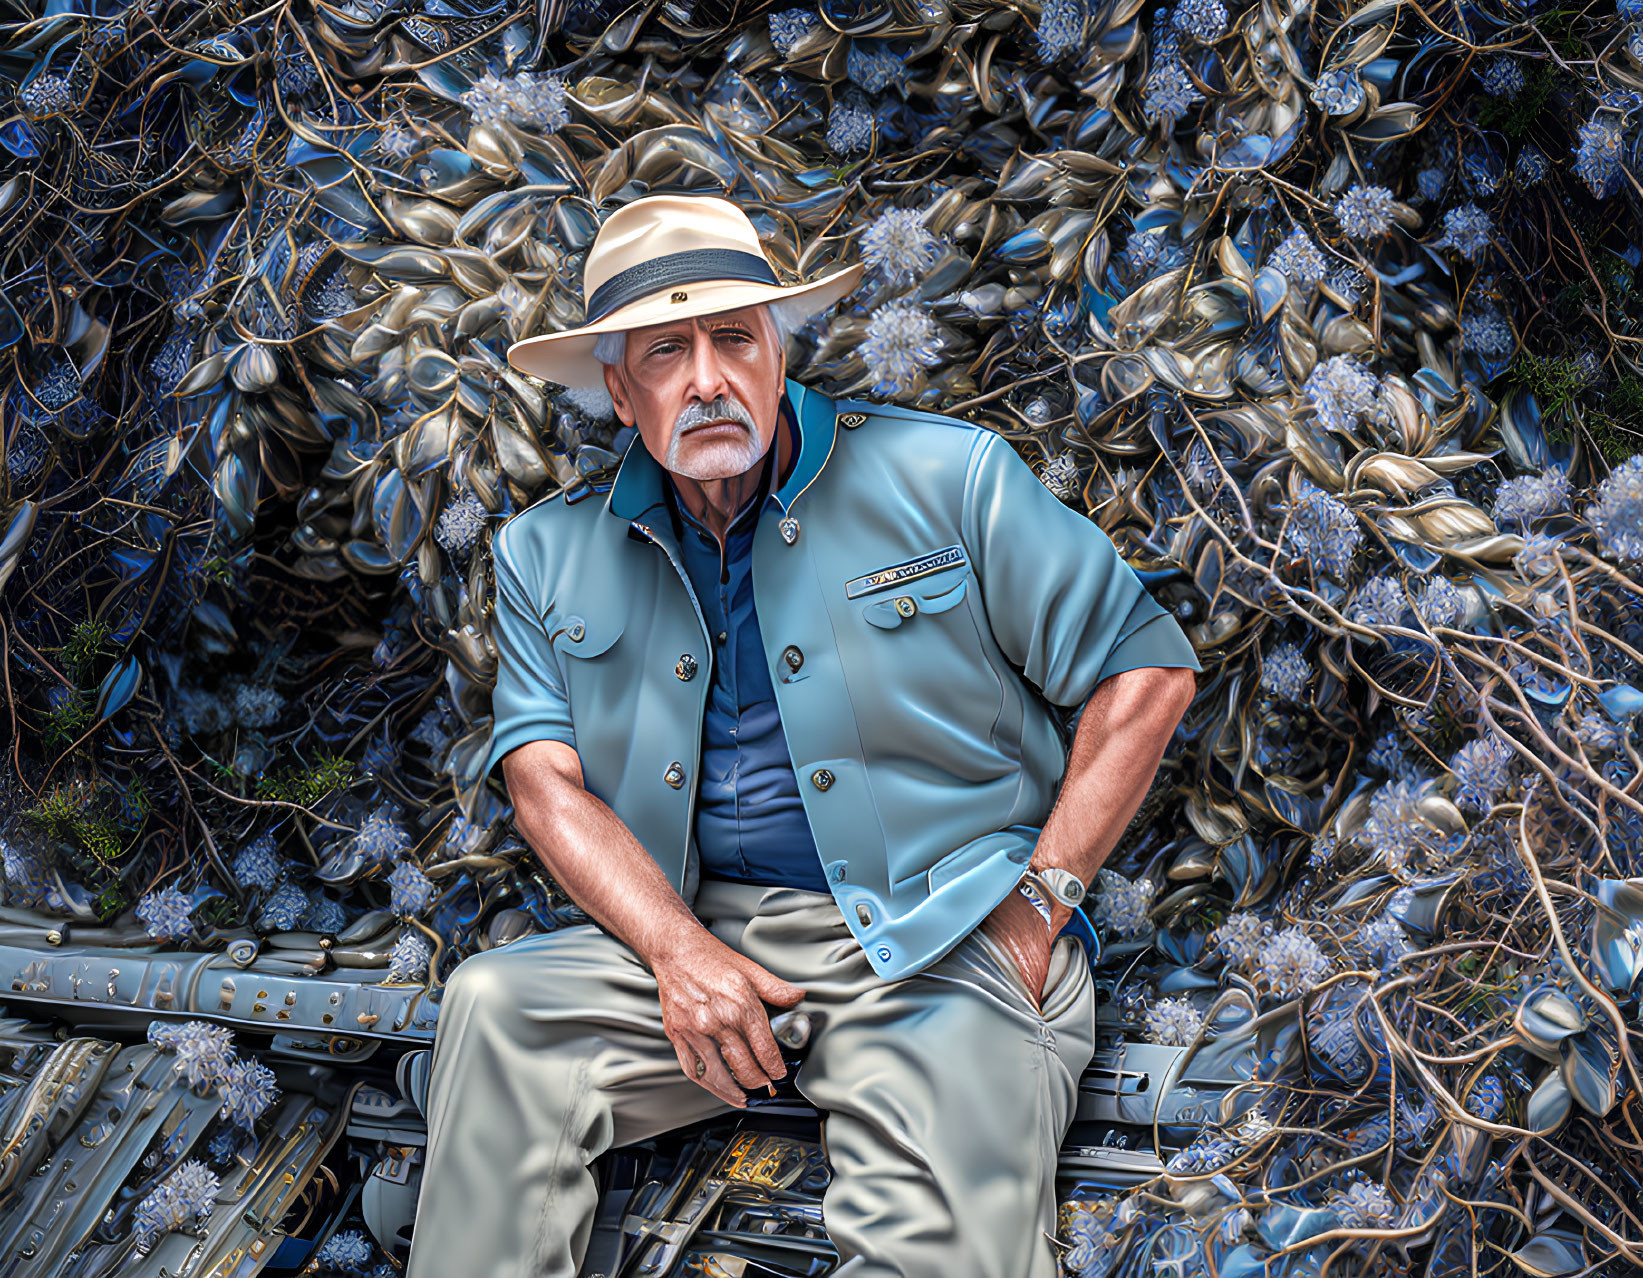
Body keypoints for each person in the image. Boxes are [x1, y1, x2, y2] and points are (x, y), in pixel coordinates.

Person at [405, 193, 1202, 1278]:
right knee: (495, 1009)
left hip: (940, 934)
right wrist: (677, 953)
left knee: (940, 1254)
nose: (707, 379)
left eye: (734, 338)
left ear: (778, 349)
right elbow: (546, 784)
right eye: (665, 352)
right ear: (616, 388)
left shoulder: (945, 476)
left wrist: (1036, 910)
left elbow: (1142, 668)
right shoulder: (546, 554)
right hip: (695, 938)